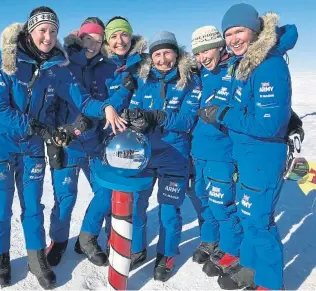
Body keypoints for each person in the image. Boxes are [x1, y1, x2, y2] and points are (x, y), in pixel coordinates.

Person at [0, 6, 124, 289]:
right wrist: (39, 128)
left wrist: (105, 106)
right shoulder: (7, 58)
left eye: (53, 31)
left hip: (32, 147)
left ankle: (37, 259)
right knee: (1, 206)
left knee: (33, 205)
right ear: (30, 31)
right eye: (42, 30)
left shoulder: (57, 67)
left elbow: (81, 100)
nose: (48, 37)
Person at [198, 3, 298, 290]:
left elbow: (268, 125)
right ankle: (252, 269)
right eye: (228, 34)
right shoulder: (247, 63)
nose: (233, 39)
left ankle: (269, 282)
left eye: (239, 31)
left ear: (254, 31)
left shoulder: (268, 65)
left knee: (259, 223)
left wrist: (222, 113)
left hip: (262, 156)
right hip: (246, 154)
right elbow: (252, 106)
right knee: (247, 215)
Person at [46, 16, 136, 267]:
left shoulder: (107, 67)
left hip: (95, 143)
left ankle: (87, 236)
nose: (93, 45)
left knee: (106, 192)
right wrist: (57, 133)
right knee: (65, 198)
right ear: (79, 37)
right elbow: (49, 104)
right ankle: (59, 241)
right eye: (88, 39)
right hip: (68, 144)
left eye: (98, 40)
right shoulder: (63, 65)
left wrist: (124, 91)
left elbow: (115, 101)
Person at [122, 31, 201, 282]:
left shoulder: (190, 81)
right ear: (152, 57)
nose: (162, 58)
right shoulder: (144, 80)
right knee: (137, 205)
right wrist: (135, 118)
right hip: (144, 154)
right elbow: (134, 106)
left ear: (176, 54)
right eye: (157, 54)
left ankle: (166, 254)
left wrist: (159, 117)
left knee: (168, 209)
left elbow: (188, 119)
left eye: (167, 52)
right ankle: (137, 248)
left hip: (175, 155)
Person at [189, 26, 243, 277]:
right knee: (202, 199)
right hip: (198, 151)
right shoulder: (200, 74)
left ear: (220, 46)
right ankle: (210, 240)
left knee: (223, 204)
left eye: (206, 50)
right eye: (197, 53)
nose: (202, 57)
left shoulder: (235, 71)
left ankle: (231, 249)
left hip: (223, 153)